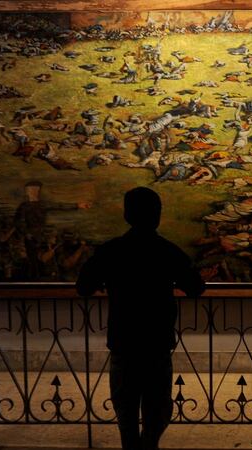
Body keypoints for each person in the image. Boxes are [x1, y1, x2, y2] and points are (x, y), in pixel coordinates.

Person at [76, 187, 205, 450]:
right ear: (157, 216)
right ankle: (149, 445)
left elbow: (83, 286)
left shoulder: (111, 250)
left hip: (123, 338)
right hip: (157, 339)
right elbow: (196, 287)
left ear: (127, 214)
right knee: (157, 406)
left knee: (125, 409)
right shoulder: (167, 251)